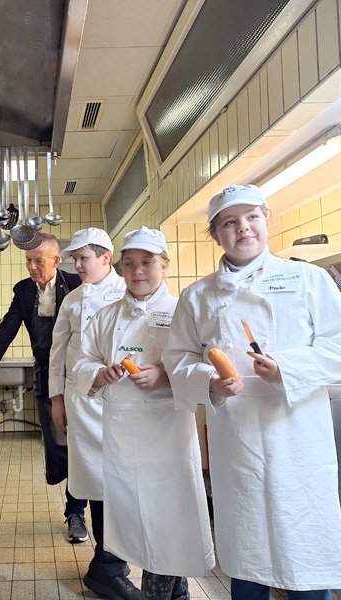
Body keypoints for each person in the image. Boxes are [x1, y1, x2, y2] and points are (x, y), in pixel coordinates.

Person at [163, 185, 341, 600]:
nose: (243, 228)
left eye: (252, 217)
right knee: (247, 548)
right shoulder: (198, 295)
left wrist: (288, 368)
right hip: (238, 437)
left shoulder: (309, 278)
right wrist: (209, 381)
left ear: (267, 221)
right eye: (229, 222)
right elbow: (177, 358)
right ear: (215, 234)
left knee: (304, 553)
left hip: (298, 433)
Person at [73, 226, 215, 600]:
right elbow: (81, 361)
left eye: (147, 263)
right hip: (122, 433)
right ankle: (174, 591)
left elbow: (203, 364)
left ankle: (165, 593)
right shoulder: (105, 317)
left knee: (170, 519)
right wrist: (99, 373)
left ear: (164, 265)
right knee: (140, 521)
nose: (137, 271)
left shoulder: (181, 311)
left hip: (168, 430)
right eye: (130, 264)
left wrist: (165, 376)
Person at [48, 228, 135, 599]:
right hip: (83, 400)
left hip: (127, 400)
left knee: (122, 483)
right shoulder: (73, 299)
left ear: (105, 258)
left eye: (84, 258)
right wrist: (56, 399)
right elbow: (58, 351)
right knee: (100, 482)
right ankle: (106, 566)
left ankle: (111, 560)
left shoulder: (129, 293)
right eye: (75, 259)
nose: (77, 265)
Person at [0, 233, 86, 542]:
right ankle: (75, 509)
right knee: (58, 445)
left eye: (38, 261)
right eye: (28, 261)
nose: (31, 267)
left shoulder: (78, 286)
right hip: (46, 378)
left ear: (56, 261)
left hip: (81, 379)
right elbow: (8, 327)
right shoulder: (25, 291)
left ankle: (77, 511)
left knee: (83, 445)